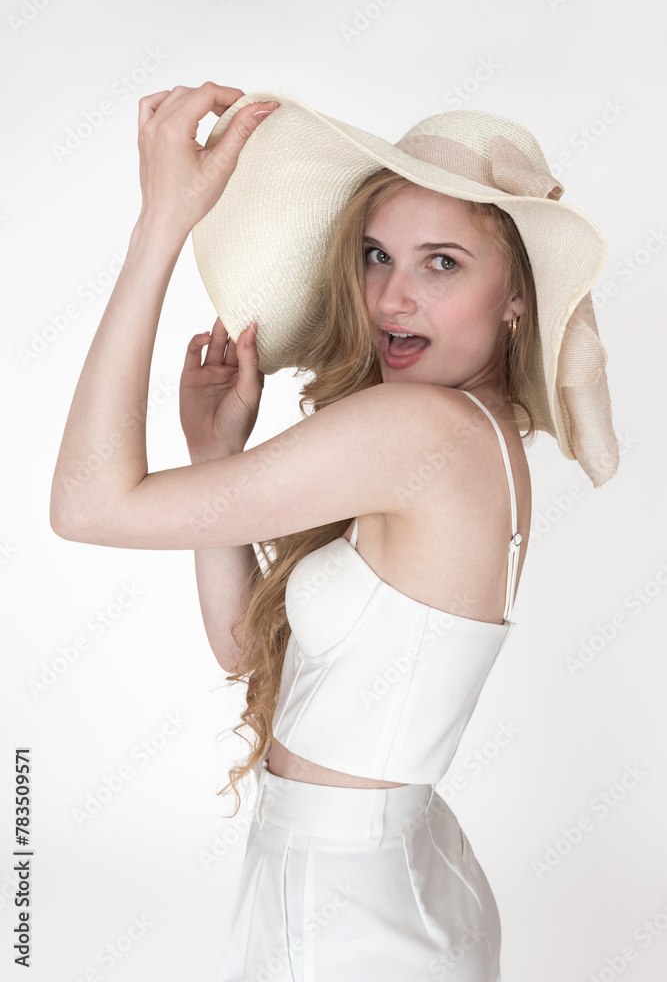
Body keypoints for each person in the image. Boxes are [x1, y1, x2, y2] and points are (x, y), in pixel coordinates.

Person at [50, 83, 619, 982]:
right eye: (375, 254)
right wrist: (214, 452)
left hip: (348, 904)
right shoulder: (474, 433)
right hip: (380, 874)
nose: (393, 296)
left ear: (516, 296)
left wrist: (159, 228)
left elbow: (87, 505)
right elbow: (248, 648)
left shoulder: (421, 433)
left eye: (442, 264)